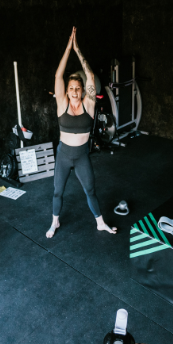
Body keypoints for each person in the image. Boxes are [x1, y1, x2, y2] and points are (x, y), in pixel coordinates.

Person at [47, 27, 116, 238]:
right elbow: (59, 74)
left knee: (90, 191)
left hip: (82, 156)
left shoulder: (89, 103)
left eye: (78, 88)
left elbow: (90, 75)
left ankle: (100, 223)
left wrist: (78, 50)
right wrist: (68, 47)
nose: (75, 91)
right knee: (58, 191)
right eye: (71, 88)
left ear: (83, 90)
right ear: (66, 91)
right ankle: (54, 222)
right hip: (64, 155)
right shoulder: (62, 104)